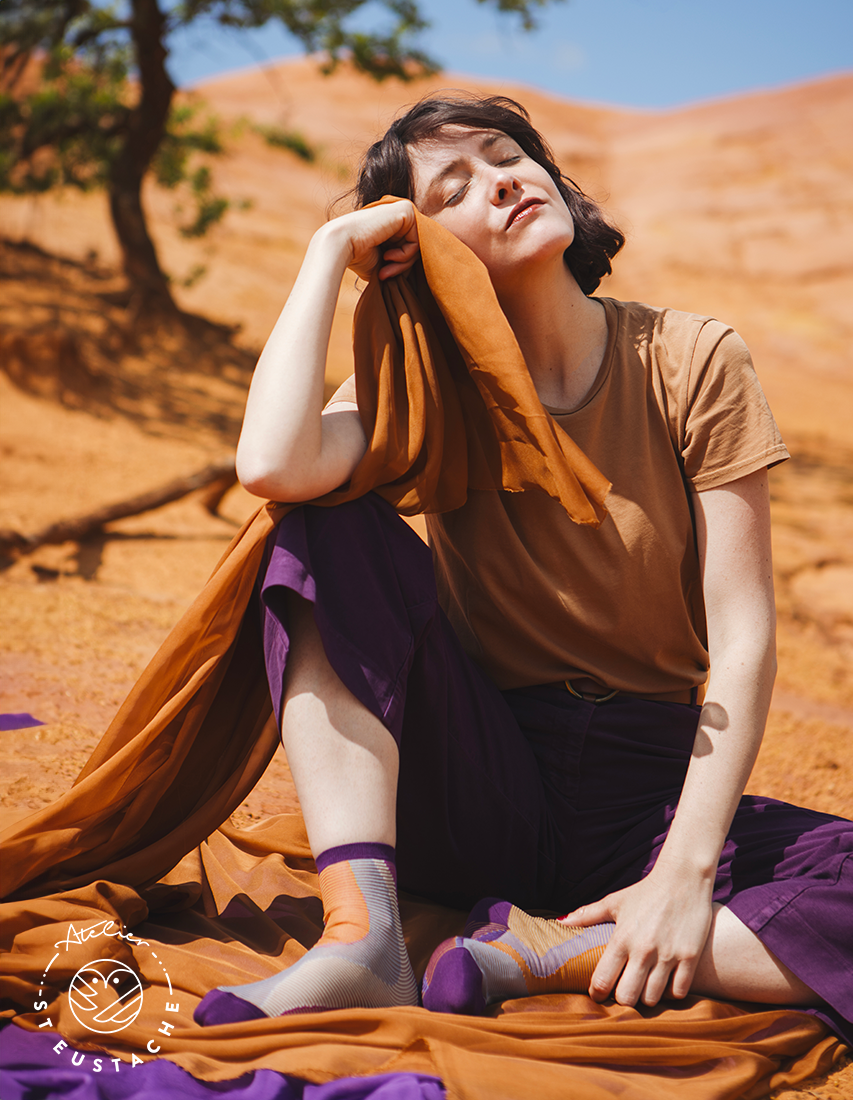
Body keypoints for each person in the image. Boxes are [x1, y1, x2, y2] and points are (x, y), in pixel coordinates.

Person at [194, 94, 851, 1036]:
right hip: (478, 776)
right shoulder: (429, 385)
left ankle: (555, 952)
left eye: (506, 155)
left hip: (651, 795)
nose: (498, 180)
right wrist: (325, 257)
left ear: (549, 175)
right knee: (323, 528)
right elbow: (271, 465)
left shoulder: (689, 358)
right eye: (451, 187)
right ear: (416, 243)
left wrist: (682, 874)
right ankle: (363, 938)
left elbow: (742, 640)